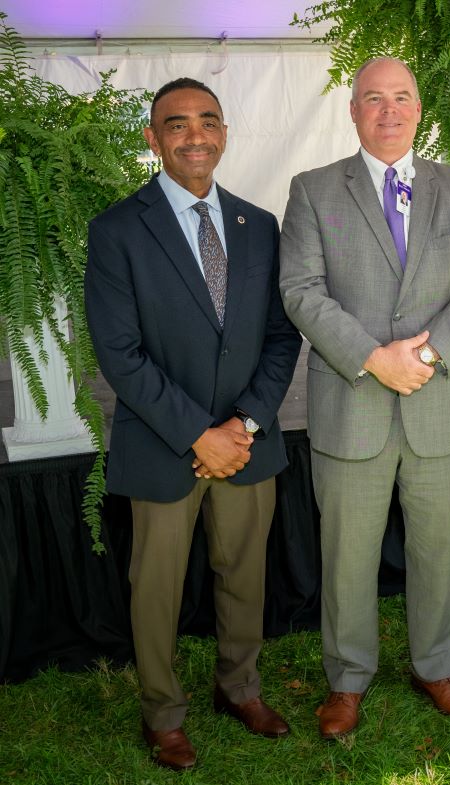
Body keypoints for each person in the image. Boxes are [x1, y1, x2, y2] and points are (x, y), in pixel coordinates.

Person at [279, 57, 450, 736]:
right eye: (373, 99)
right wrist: (374, 359)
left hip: (439, 405)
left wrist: (429, 353)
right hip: (353, 408)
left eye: (401, 97)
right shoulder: (314, 189)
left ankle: (435, 666)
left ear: (419, 107)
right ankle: (347, 678)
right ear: (353, 111)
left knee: (437, 548)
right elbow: (300, 290)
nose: (388, 110)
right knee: (347, 553)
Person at [85, 77, 302, 769]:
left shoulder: (259, 224)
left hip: (246, 444)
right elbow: (119, 352)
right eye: (176, 124)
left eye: (208, 120)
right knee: (156, 588)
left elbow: (280, 336)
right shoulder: (118, 228)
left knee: (244, 577)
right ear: (154, 139)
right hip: (162, 446)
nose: (195, 134)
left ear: (226, 133)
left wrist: (244, 424)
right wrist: (197, 433)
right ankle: (162, 711)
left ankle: (239, 687)